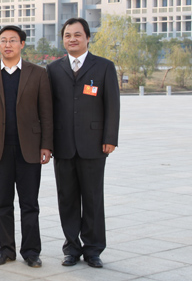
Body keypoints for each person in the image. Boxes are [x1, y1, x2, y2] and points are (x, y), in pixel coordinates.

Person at [0, 25, 53, 268]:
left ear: (22, 44)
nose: (7, 44)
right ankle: (6, 250)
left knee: (29, 203)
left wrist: (46, 145)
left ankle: (31, 251)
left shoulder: (38, 73)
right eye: (3, 40)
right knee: (2, 203)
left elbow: (46, 112)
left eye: (12, 40)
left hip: (30, 148)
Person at [46, 18, 120, 269]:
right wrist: (47, 142)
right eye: (68, 35)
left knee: (92, 199)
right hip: (63, 144)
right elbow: (48, 109)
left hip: (94, 144)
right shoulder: (53, 69)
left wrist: (110, 138)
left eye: (77, 35)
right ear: (63, 40)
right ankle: (71, 248)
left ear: (88, 38)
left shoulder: (104, 67)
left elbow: (112, 105)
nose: (72, 39)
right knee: (66, 199)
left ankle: (93, 249)